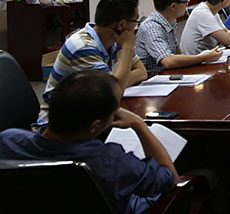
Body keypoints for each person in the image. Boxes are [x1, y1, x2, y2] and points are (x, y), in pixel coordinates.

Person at [2, 71, 177, 214]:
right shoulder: (109, 161)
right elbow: (170, 179)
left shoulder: (8, 141)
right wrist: (139, 125)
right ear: (95, 126)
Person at [38, 0, 147, 125]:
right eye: (135, 21)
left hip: (90, 115)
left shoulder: (114, 40)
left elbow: (142, 72)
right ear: (121, 25)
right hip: (61, 127)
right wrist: (128, 48)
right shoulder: (83, 48)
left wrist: (117, 83)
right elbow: (113, 94)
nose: (135, 27)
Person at [136, 0, 222, 75]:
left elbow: (177, 53)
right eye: (186, 1)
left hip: (169, 75)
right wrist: (204, 57)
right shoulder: (152, 27)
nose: (187, 5)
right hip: (153, 79)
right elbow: (168, 61)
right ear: (173, 6)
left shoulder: (170, 21)